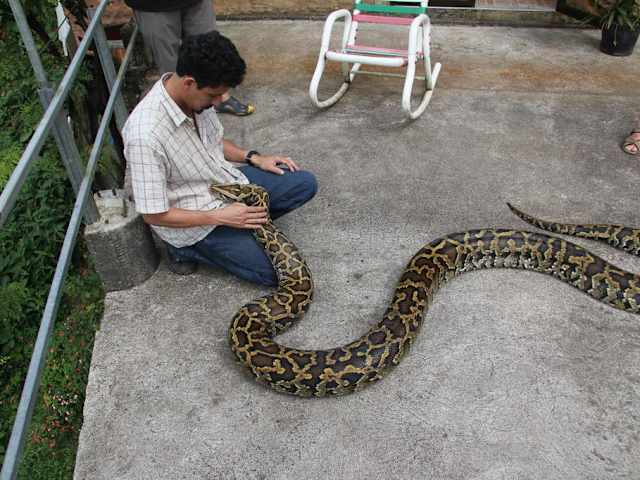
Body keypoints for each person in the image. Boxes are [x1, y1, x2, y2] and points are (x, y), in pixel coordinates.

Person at [122, 31, 317, 285]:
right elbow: (153, 215)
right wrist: (221, 217)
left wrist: (253, 157)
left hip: (225, 185)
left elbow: (213, 141)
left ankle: (246, 224)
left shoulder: (196, 98)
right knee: (278, 274)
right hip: (197, 220)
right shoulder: (145, 135)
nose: (218, 103)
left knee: (303, 183)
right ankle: (184, 250)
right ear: (189, 82)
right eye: (214, 95)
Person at [125, 0, 254, 115]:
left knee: (212, 51)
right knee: (170, 66)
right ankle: (179, 110)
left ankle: (219, 96)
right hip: (153, 5)